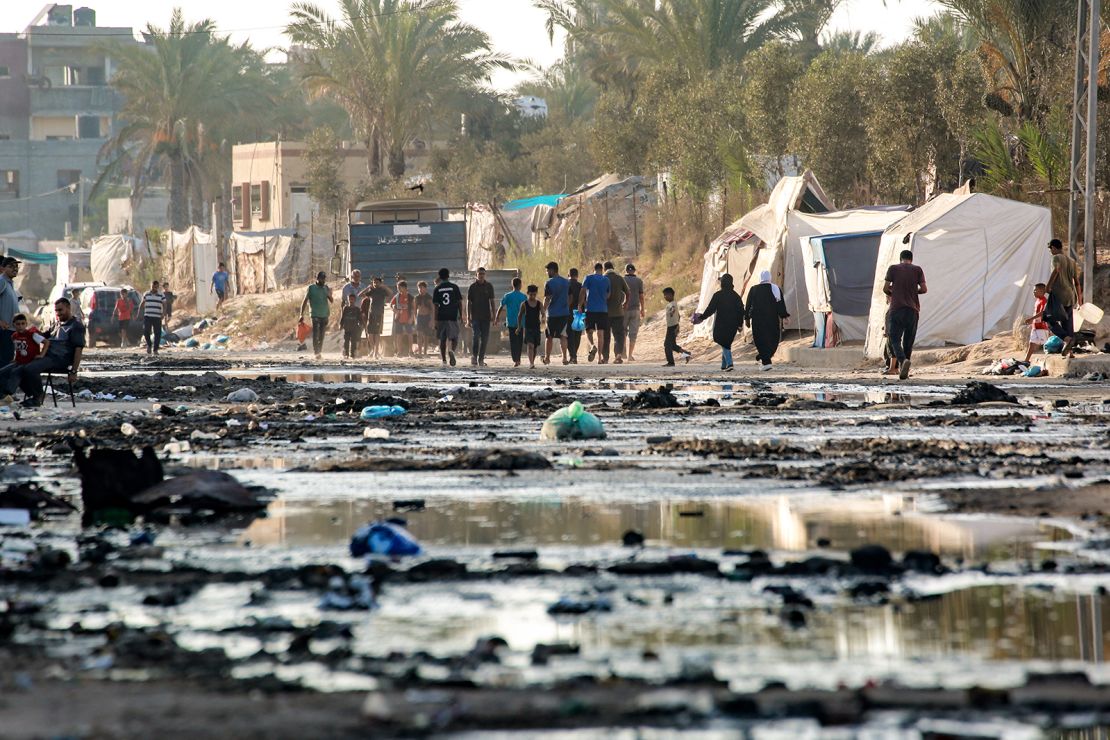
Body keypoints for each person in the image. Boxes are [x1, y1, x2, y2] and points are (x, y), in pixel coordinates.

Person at [0, 297, 84, 408]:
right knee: (18, 367)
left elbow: (78, 349)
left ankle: (37, 398)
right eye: (56, 311)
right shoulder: (57, 324)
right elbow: (43, 336)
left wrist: (74, 371)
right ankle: (10, 394)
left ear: (68, 308)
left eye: (60, 310)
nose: (58, 313)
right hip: (47, 357)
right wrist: (31, 331)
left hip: (60, 359)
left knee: (30, 368)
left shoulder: (76, 326)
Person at [883, 249, 927, 380]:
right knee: (908, 341)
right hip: (912, 310)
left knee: (894, 339)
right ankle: (904, 369)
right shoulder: (917, 269)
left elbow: (885, 288)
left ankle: (902, 361)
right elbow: (924, 289)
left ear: (900, 259)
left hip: (897, 309)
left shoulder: (893, 269)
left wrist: (895, 293)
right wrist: (913, 292)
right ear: (911, 259)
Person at [692, 273, 744, 372]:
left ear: (723, 283)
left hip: (721, 324)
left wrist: (702, 317)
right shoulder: (736, 296)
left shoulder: (718, 295)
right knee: (726, 342)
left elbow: (710, 309)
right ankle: (723, 365)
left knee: (723, 341)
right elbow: (741, 311)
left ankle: (730, 363)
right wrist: (739, 324)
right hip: (732, 324)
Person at [1045, 238, 1083, 357]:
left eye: (1051, 249)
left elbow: (1056, 270)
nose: (1051, 252)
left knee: (1049, 319)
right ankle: (1070, 352)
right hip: (1070, 295)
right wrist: (1080, 300)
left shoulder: (1056, 258)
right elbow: (1077, 282)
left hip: (1059, 294)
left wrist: (1048, 286)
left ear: (1053, 248)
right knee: (1067, 323)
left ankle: (1066, 339)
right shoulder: (1071, 261)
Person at [745, 271, 790, 371]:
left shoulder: (754, 289)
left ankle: (764, 358)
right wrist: (784, 316)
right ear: (770, 277)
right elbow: (780, 305)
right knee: (773, 339)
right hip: (772, 319)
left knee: (760, 340)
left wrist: (747, 319)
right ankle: (766, 361)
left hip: (758, 320)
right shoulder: (775, 289)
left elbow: (748, 305)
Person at [579, 262, 611, 364]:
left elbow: (583, 291)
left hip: (591, 309)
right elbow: (608, 294)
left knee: (589, 331)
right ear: (602, 270)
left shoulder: (588, 278)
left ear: (594, 269)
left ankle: (593, 345)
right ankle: (600, 358)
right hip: (603, 310)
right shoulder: (606, 280)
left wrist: (580, 305)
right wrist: (602, 299)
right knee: (600, 334)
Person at [433, 267, 463, 366]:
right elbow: (459, 303)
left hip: (441, 316)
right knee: (454, 337)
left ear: (440, 277)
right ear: (448, 275)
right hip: (452, 315)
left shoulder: (437, 289)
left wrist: (435, 320)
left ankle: (444, 360)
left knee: (442, 338)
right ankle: (452, 351)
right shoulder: (454, 287)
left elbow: (436, 306)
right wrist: (462, 315)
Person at [299, 271, 333, 359]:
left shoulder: (326, 288)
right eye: (321, 278)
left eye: (324, 279)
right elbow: (305, 301)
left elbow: (331, 300)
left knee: (321, 334)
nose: (323, 280)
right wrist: (301, 314)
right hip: (315, 314)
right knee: (316, 333)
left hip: (325, 314)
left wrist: (330, 294)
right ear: (317, 279)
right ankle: (316, 352)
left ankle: (319, 351)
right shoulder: (311, 288)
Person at [542, 261, 570, 365]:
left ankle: (547, 358)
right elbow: (569, 297)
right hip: (564, 313)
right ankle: (564, 358)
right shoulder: (566, 282)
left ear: (552, 270)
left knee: (549, 336)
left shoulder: (549, 283)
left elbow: (547, 298)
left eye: (547, 270)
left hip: (552, 314)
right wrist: (566, 306)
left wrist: (543, 311)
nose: (547, 272)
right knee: (563, 336)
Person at [495, 276, 527, 367]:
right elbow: (526, 310)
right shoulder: (523, 296)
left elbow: (501, 307)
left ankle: (515, 360)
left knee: (513, 341)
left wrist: (497, 317)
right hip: (520, 323)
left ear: (512, 285)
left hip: (511, 322)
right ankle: (518, 359)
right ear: (520, 285)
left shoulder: (507, 296)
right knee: (519, 341)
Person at [467, 267, 496, 366]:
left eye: (483, 274)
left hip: (486, 317)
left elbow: (492, 301)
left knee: (485, 338)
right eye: (479, 274)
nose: (481, 275)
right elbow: (468, 303)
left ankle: (481, 359)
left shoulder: (489, 286)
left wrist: (494, 315)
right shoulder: (472, 287)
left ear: (485, 275)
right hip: (475, 317)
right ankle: (474, 357)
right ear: (476, 275)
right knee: (476, 336)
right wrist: (468, 317)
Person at [604, 261, 629, 364]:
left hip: (605, 313)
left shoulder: (603, 279)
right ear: (613, 268)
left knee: (606, 336)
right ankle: (618, 355)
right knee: (618, 335)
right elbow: (628, 292)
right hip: (619, 312)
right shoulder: (619, 278)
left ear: (604, 268)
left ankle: (605, 358)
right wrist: (626, 303)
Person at [362, 276, 393, 359]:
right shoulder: (371, 291)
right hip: (371, 314)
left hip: (379, 314)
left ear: (380, 283)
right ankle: (374, 350)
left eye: (377, 282)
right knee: (369, 334)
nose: (375, 284)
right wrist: (367, 288)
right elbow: (360, 295)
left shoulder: (382, 291)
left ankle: (375, 353)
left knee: (377, 334)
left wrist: (384, 286)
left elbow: (390, 293)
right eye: (374, 282)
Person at [516, 284, 543, 369]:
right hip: (528, 327)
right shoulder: (524, 304)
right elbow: (519, 316)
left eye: (534, 294)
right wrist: (519, 327)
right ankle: (531, 363)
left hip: (536, 327)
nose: (532, 296)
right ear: (527, 293)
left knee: (534, 346)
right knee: (530, 345)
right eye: (531, 294)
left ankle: (532, 361)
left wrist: (543, 318)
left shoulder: (539, 303)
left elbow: (543, 312)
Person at [662, 287, 691, 366]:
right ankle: (686, 354)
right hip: (673, 326)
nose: (665, 297)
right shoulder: (672, 304)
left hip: (672, 327)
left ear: (671, 295)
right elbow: (678, 316)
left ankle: (671, 362)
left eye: (666, 295)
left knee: (667, 345)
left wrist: (676, 325)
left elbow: (673, 311)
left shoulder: (672, 304)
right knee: (672, 345)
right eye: (664, 295)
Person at [0, 257, 21, 367]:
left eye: (16, 266)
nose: (15, 269)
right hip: (4, 330)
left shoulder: (9, 284)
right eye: (11, 266)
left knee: (8, 360)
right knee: (4, 361)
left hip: (10, 330)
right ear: (3, 268)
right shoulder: (2, 281)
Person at [1023, 283, 1050, 364]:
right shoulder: (1037, 301)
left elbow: (1042, 312)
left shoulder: (1044, 301)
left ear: (1042, 291)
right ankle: (1026, 360)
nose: (1033, 292)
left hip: (1042, 326)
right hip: (1035, 326)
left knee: (1046, 345)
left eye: (1035, 290)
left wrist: (1031, 319)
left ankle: (1048, 361)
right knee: (1032, 343)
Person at [623, 264, 646, 361]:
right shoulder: (639, 281)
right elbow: (641, 296)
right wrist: (642, 309)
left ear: (626, 270)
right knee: (633, 334)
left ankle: (622, 353)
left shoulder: (622, 280)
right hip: (635, 309)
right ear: (634, 271)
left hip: (624, 309)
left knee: (623, 332)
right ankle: (630, 355)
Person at [390, 280, 415, 357]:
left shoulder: (410, 297)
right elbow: (391, 305)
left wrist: (411, 318)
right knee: (398, 335)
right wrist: (395, 310)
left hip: (408, 318)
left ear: (404, 287)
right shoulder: (397, 296)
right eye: (397, 287)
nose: (398, 289)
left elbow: (413, 308)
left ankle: (411, 351)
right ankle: (399, 352)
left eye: (399, 287)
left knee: (410, 335)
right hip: (399, 319)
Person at [139, 280, 164, 356]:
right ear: (151, 286)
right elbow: (142, 304)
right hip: (148, 316)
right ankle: (149, 345)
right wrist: (139, 313)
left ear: (158, 287)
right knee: (146, 331)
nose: (154, 288)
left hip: (157, 316)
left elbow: (165, 304)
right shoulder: (146, 294)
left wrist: (163, 313)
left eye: (156, 287)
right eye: (153, 286)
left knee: (158, 333)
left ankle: (155, 349)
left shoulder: (161, 295)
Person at [567, 268, 583, 364]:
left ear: (568, 275)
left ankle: (573, 356)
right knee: (577, 335)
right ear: (577, 275)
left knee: (570, 335)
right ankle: (574, 355)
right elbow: (585, 299)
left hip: (568, 311)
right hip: (579, 311)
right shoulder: (581, 285)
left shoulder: (566, 284)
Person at [340, 293, 363, 359]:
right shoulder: (346, 308)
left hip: (354, 328)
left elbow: (360, 318)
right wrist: (341, 324)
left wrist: (361, 324)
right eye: (350, 299)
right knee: (346, 341)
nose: (351, 300)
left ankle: (352, 354)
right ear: (348, 300)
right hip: (347, 327)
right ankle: (346, 353)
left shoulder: (357, 309)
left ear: (355, 300)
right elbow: (343, 317)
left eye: (352, 299)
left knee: (353, 341)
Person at [414, 280, 433, 356]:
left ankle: (425, 352)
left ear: (425, 288)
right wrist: (415, 319)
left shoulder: (429, 297)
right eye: (419, 288)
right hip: (420, 317)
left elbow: (432, 309)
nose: (420, 289)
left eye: (422, 288)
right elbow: (415, 309)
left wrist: (432, 320)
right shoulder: (416, 297)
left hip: (427, 317)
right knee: (419, 335)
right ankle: (419, 353)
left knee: (426, 336)